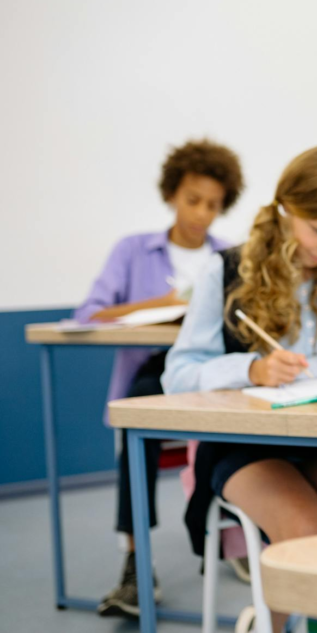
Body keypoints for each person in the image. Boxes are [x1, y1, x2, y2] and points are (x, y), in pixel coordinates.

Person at [162, 143, 317, 633]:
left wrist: (313, 366)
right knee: (304, 528)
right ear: (284, 207)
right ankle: (272, 625)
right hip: (248, 443)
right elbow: (179, 372)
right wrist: (251, 370)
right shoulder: (227, 269)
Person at [74, 139, 244, 617]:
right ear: (172, 193)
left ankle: (234, 541)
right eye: (193, 200)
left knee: (246, 423)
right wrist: (156, 307)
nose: (202, 213)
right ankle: (135, 564)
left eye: (213, 204)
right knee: (138, 423)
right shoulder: (133, 251)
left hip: (216, 372)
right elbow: (87, 315)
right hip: (155, 369)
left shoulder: (232, 255)